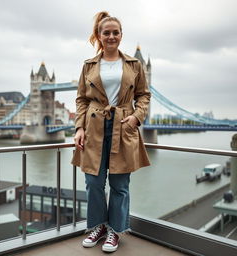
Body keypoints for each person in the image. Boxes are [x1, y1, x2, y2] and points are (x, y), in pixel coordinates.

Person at [71, 11, 151, 252]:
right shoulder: (88, 66)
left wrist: (136, 118)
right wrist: (79, 128)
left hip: (123, 125)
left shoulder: (134, 65)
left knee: (119, 184)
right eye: (107, 32)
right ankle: (98, 226)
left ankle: (115, 231)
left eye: (116, 32)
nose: (111, 36)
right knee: (93, 183)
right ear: (99, 35)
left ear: (121, 35)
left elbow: (143, 95)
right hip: (94, 126)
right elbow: (82, 100)